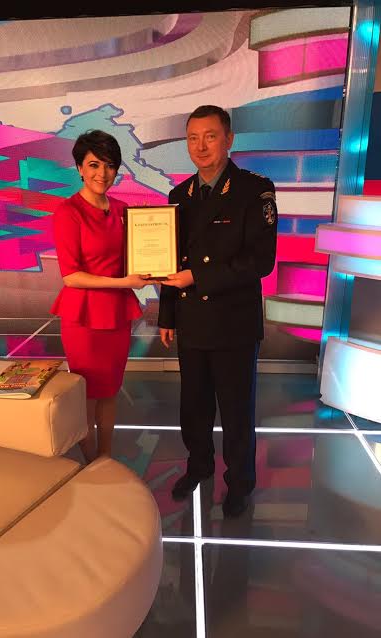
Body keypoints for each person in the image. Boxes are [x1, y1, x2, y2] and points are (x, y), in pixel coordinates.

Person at [158, 105, 278, 516]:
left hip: (233, 323)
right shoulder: (179, 196)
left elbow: (260, 261)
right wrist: (167, 315)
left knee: (236, 411)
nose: (201, 146)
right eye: (193, 138)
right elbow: (170, 261)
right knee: (193, 407)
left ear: (229, 139)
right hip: (191, 320)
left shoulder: (254, 190)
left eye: (210, 136)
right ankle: (199, 466)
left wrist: (198, 277)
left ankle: (240, 483)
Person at [51, 130, 152, 463]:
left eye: (109, 165)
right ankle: (90, 459)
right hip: (84, 317)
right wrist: (125, 282)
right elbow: (71, 276)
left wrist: (154, 250)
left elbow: (136, 258)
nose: (102, 173)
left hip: (117, 314)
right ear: (80, 168)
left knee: (110, 390)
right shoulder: (68, 212)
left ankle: (105, 457)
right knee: (87, 393)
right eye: (94, 164)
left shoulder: (124, 210)